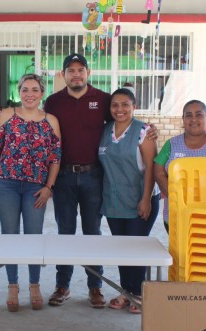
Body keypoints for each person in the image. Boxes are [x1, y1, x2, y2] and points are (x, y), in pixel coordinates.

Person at [44, 53, 158, 308]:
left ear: (88, 73)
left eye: (80, 69)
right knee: (65, 233)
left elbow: (124, 120)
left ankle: (95, 286)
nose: (76, 74)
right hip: (63, 176)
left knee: (92, 232)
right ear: (63, 75)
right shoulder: (53, 102)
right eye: (70, 70)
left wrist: (149, 129)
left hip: (94, 176)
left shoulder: (104, 99)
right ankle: (62, 286)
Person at [0, 73, 61, 312]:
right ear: (19, 91)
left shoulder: (51, 121)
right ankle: (12, 285)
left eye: (35, 89)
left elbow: (55, 158)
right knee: (10, 234)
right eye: (25, 89)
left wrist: (49, 187)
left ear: (42, 93)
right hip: (6, 184)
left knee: (34, 236)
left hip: (35, 188)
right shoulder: (7, 115)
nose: (29, 94)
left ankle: (35, 284)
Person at [99, 88, 159, 314]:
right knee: (122, 250)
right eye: (115, 105)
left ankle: (139, 294)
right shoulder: (105, 130)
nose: (120, 109)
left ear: (134, 106)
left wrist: (146, 199)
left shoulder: (143, 131)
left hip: (139, 200)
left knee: (137, 250)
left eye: (125, 104)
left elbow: (151, 167)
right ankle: (126, 292)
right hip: (114, 202)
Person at [154, 99, 206, 232]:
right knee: (179, 252)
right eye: (188, 115)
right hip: (177, 214)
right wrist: (174, 194)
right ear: (183, 119)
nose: (193, 119)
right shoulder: (172, 144)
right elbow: (158, 171)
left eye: (198, 115)